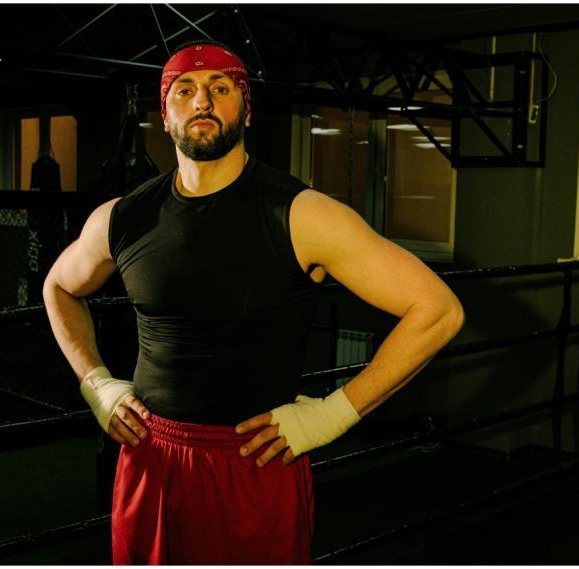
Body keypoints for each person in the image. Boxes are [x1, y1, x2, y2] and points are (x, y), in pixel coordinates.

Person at [43, 40, 465, 565]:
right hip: (150, 454)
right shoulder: (123, 217)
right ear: (165, 115)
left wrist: (334, 414)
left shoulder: (302, 214)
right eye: (184, 90)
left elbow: (438, 310)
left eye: (220, 88)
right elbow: (58, 287)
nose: (202, 101)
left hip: (252, 459)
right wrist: (96, 384)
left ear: (246, 110)